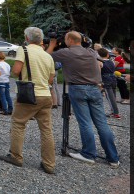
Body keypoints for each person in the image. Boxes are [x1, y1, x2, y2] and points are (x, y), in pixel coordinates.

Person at [48, 31, 119, 167]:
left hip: (78, 89)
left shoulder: (65, 52)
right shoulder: (92, 52)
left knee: (85, 122)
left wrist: (52, 44)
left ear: (69, 39)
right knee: (102, 124)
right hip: (94, 89)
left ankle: (88, 154)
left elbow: (47, 56)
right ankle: (113, 158)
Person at [0, 27, 56, 174]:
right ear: (41, 40)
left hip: (29, 94)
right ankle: (49, 164)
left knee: (18, 123)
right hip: (45, 95)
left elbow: (16, 70)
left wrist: (16, 73)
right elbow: (51, 78)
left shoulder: (23, 50)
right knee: (46, 130)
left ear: (27, 37)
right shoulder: (47, 56)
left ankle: (16, 156)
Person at [98, 48, 120, 119]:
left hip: (106, 80)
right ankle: (113, 111)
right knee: (113, 96)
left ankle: (115, 113)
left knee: (110, 98)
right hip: (113, 79)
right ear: (107, 55)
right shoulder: (111, 61)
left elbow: (99, 72)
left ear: (99, 55)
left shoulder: (100, 62)